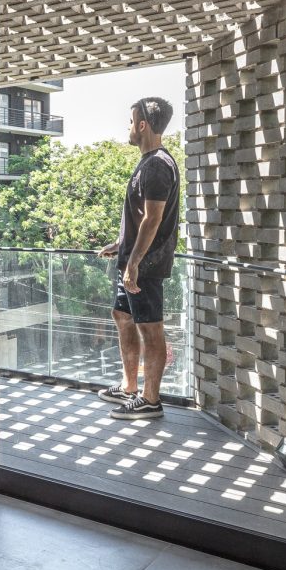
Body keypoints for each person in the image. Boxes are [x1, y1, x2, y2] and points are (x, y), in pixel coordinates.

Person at [96, 97, 181, 420]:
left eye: (132, 122)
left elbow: (153, 219)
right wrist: (121, 243)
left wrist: (133, 263)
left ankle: (150, 399)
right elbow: (138, 216)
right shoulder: (149, 162)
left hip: (145, 266)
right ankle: (129, 386)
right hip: (132, 259)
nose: (129, 128)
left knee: (151, 329)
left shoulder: (158, 164)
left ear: (143, 125)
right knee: (122, 316)